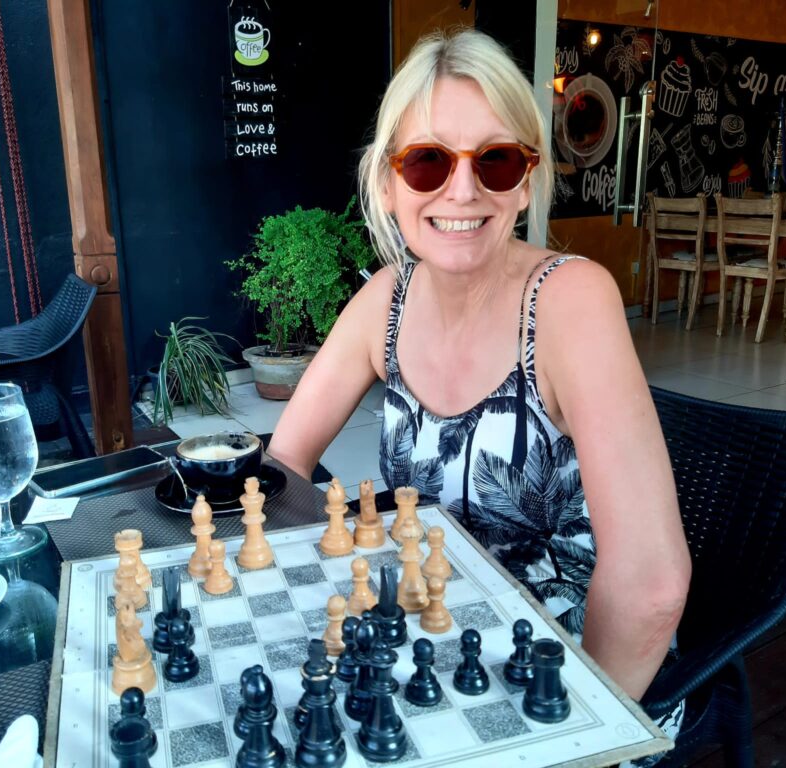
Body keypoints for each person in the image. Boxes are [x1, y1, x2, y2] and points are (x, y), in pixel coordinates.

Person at [267, 28, 690, 710]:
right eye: (427, 161)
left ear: (526, 183)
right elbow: (283, 462)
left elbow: (652, 585)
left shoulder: (570, 301)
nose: (462, 190)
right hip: (425, 637)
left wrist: (582, 732)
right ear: (389, 183)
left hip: (566, 670)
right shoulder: (386, 300)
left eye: (495, 160)